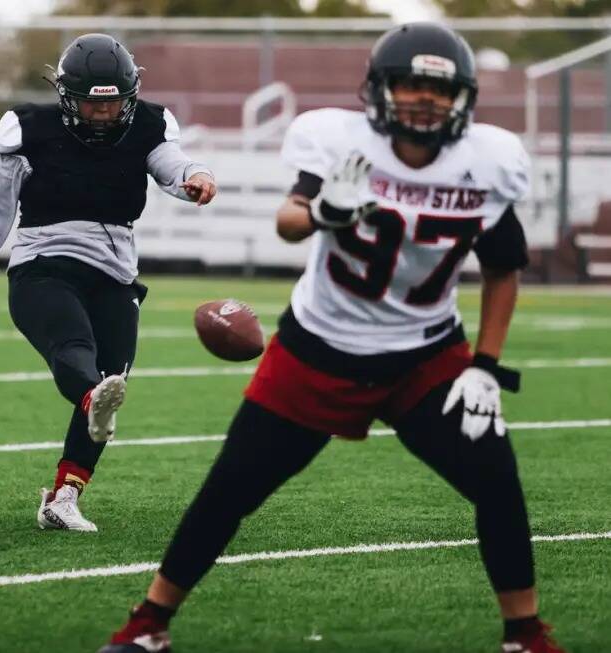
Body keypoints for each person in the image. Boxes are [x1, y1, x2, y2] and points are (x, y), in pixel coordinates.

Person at [99, 22, 565, 653]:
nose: (424, 99)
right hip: (320, 346)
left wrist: (484, 364)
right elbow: (289, 223)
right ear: (380, 89)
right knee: (231, 487)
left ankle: (525, 634)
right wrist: (326, 213)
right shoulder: (340, 142)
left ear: (463, 97)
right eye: (410, 84)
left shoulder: (487, 161)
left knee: (497, 481)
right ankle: (150, 623)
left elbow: (506, 267)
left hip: (426, 354)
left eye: (439, 88)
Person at [0, 33, 217, 532]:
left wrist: (195, 175)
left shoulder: (149, 125)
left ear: (129, 94)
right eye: (90, 105)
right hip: (43, 264)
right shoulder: (30, 130)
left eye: (113, 102)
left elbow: (170, 165)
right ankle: (92, 398)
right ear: (66, 96)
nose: (102, 114)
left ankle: (64, 496)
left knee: (111, 375)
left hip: (115, 272)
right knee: (76, 351)